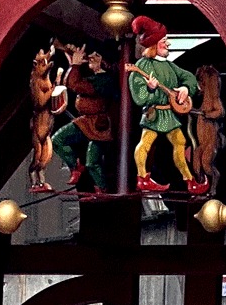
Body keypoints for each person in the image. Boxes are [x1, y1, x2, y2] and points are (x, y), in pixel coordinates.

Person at [126, 16, 206, 196]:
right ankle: (142, 177)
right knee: (145, 143)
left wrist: (185, 87)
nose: (168, 44)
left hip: (169, 115)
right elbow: (139, 97)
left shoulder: (170, 66)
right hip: (154, 114)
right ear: (154, 45)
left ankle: (189, 181)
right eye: (163, 41)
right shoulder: (141, 67)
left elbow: (189, 77)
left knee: (180, 142)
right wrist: (151, 89)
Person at [41, 43, 114, 193]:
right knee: (57, 140)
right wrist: (72, 64)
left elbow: (75, 85)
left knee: (92, 162)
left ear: (104, 62)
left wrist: (75, 65)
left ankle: (102, 189)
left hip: (99, 125)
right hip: (86, 121)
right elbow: (72, 82)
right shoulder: (94, 77)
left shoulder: (105, 80)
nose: (91, 57)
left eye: (97, 56)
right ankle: (75, 166)